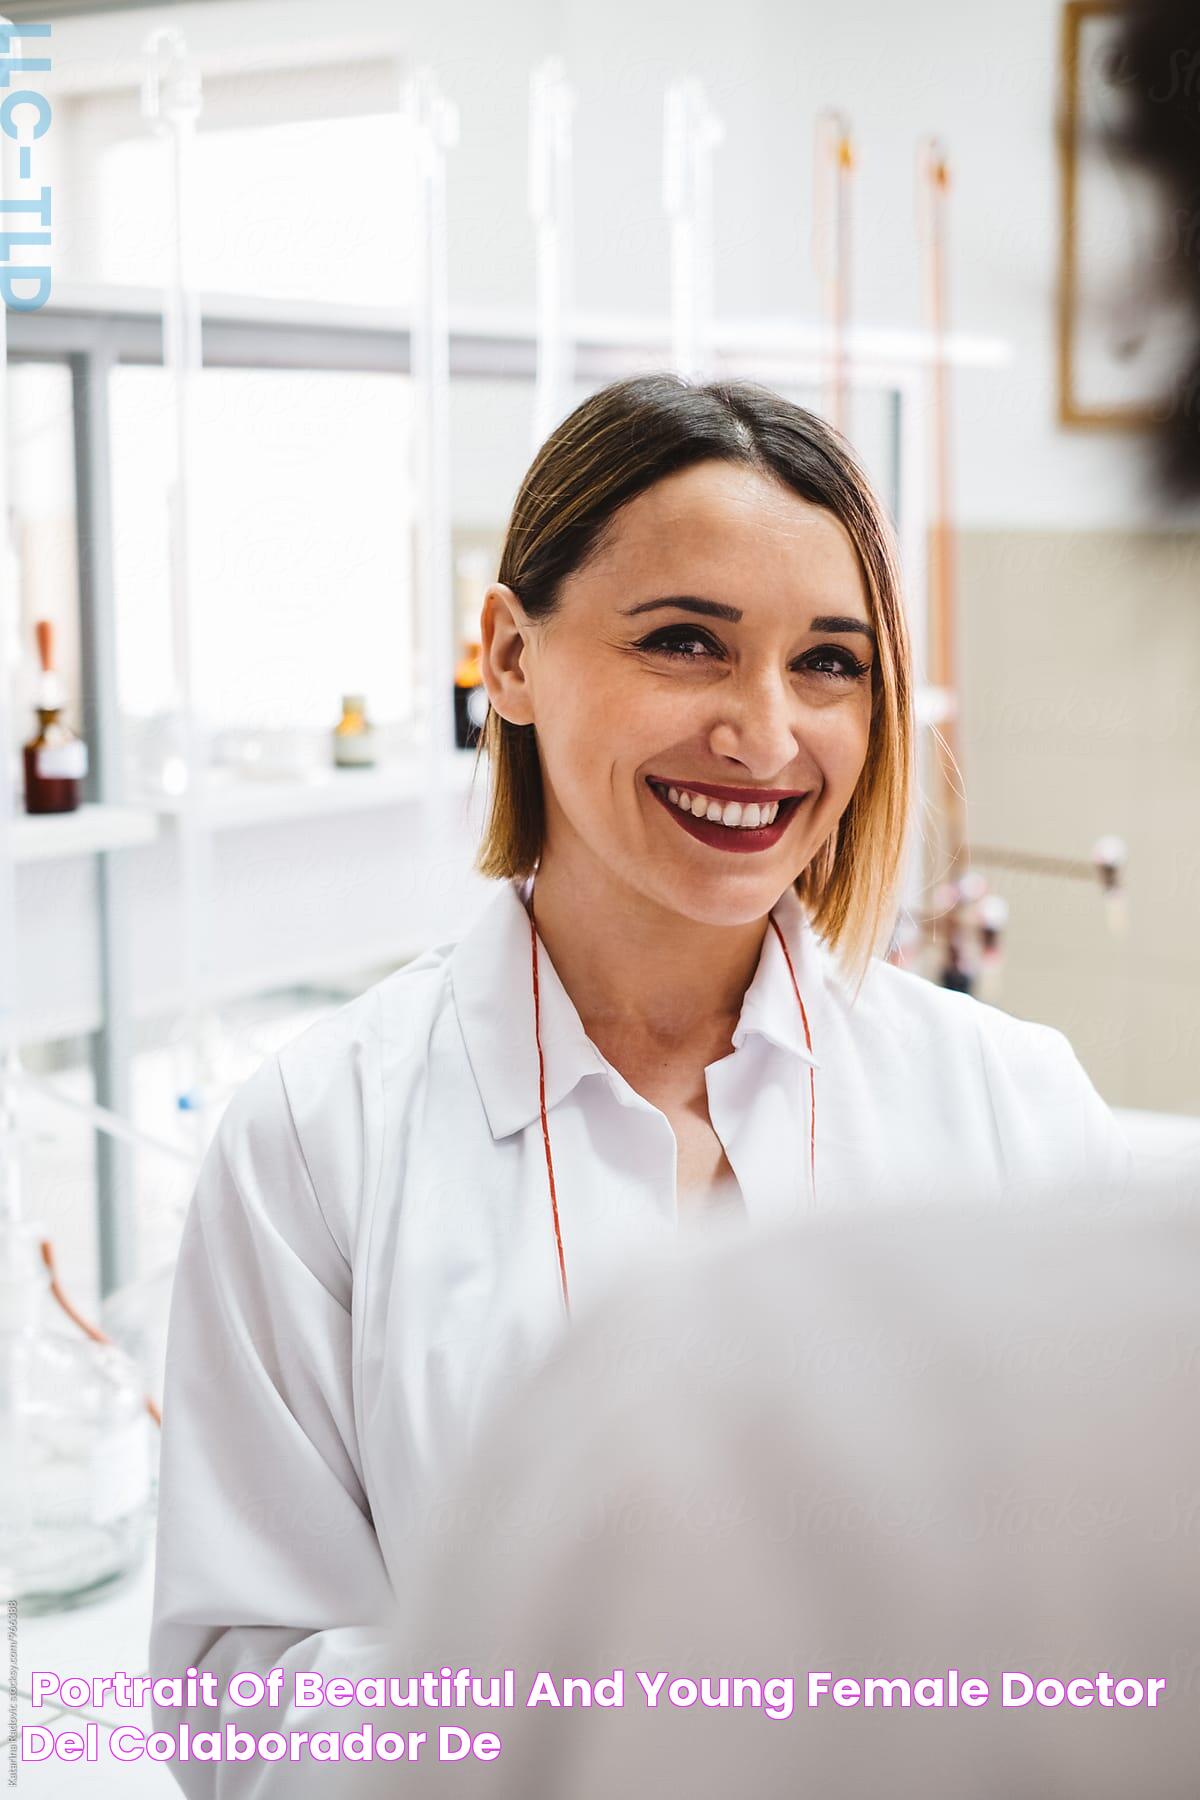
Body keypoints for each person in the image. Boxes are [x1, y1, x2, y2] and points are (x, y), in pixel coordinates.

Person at [147, 374, 1128, 1795]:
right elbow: (239, 1702)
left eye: (832, 663)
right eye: (685, 642)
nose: (766, 732)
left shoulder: (1014, 1109)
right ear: (510, 656)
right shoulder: (320, 1139)